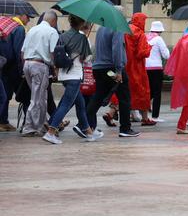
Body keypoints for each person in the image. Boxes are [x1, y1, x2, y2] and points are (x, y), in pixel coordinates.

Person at [42, 15, 102, 144]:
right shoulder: (82, 38)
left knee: (80, 105)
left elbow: (57, 54)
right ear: (81, 24)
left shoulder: (62, 36)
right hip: (75, 75)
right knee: (65, 105)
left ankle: (89, 133)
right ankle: (51, 132)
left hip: (64, 75)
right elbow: (86, 59)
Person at [86, 13, 140, 138]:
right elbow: (117, 49)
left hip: (99, 68)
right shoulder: (116, 28)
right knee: (124, 97)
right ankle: (125, 128)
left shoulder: (101, 29)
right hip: (111, 69)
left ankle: (85, 124)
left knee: (98, 96)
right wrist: (119, 70)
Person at [20, 10, 59, 136]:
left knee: (41, 98)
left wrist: (24, 67)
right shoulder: (52, 31)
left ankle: (41, 125)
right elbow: (53, 52)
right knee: (37, 99)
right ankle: (29, 127)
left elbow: (22, 51)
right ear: (53, 21)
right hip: (39, 65)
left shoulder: (32, 29)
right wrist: (54, 68)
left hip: (28, 64)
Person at [0, 12, 30, 132]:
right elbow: (19, 51)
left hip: (3, 67)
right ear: (22, 15)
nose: (28, 20)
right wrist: (22, 70)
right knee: (25, 96)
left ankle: (3, 121)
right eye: (28, 17)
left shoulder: (5, 26)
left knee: (5, 95)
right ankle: (27, 123)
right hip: (14, 69)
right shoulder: (18, 29)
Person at [125, 13, 155, 126]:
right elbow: (142, 53)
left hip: (126, 65)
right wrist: (149, 48)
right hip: (137, 67)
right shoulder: (140, 33)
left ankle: (115, 113)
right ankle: (145, 118)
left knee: (126, 91)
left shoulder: (126, 30)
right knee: (143, 91)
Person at [146, 20, 170, 122]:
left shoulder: (145, 37)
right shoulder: (158, 39)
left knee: (149, 92)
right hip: (156, 68)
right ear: (160, 30)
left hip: (145, 68)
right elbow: (166, 55)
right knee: (156, 93)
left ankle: (139, 111)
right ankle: (155, 116)